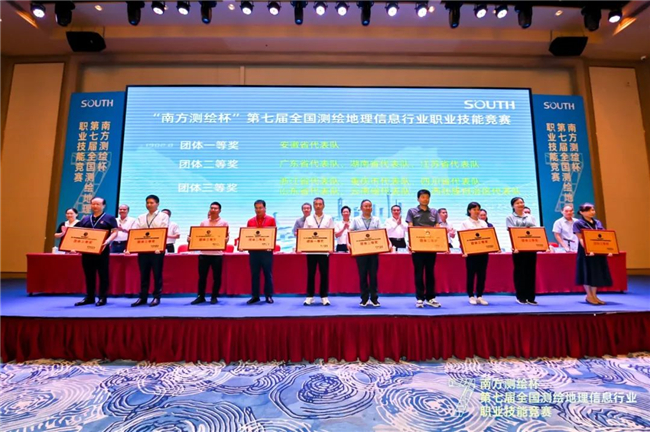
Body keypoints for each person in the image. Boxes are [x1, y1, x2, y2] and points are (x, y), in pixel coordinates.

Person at [73, 197, 118, 307]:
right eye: (93, 204)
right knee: (89, 274)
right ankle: (89, 297)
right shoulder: (85, 219)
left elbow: (115, 232)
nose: (95, 206)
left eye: (98, 204)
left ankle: (102, 297)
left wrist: (108, 241)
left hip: (102, 250)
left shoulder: (110, 218)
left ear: (103, 206)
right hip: (87, 251)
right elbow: (78, 233)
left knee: (103, 275)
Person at [128, 194, 170, 307]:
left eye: (151, 203)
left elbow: (163, 230)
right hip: (143, 249)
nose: (149, 205)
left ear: (157, 204)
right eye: (147, 203)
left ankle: (156, 297)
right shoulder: (141, 217)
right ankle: (143, 297)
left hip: (157, 250)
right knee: (143, 274)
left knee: (157, 274)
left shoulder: (163, 216)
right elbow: (135, 231)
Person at [406, 189, 442, 308]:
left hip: (431, 247)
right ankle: (420, 298)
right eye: (422, 197)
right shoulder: (412, 211)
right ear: (418, 199)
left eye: (427, 197)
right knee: (419, 273)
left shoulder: (434, 212)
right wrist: (411, 243)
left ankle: (431, 297)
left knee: (430, 273)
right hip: (418, 248)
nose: (425, 199)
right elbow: (410, 227)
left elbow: (437, 228)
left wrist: (439, 243)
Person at [190, 202, 229, 305]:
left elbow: (226, 237)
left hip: (217, 255)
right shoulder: (204, 222)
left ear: (220, 210)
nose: (213, 210)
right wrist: (192, 239)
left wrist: (225, 240)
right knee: (202, 277)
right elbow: (199, 236)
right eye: (211, 208)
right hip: (204, 254)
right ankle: (201, 296)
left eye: (215, 208)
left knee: (217, 277)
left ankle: (214, 296)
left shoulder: (224, 223)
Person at [573, 203, 612, 305]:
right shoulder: (578, 223)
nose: (592, 212)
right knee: (587, 273)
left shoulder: (597, 222)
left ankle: (594, 295)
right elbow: (581, 238)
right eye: (589, 210)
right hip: (586, 252)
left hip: (598, 251)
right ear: (581, 212)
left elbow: (604, 236)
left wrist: (608, 249)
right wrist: (588, 249)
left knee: (596, 273)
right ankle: (589, 296)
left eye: (593, 210)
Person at [506, 196, 538, 305]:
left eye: (522, 202)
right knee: (520, 272)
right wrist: (515, 246)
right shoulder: (510, 217)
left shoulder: (531, 217)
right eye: (517, 203)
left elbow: (535, 231)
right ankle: (521, 296)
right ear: (513, 206)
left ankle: (531, 297)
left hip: (531, 247)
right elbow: (512, 232)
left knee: (531, 272)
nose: (520, 204)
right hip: (518, 248)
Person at [302, 197, 335, 306]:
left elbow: (332, 233)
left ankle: (324, 296)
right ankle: (310, 296)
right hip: (311, 251)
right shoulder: (308, 219)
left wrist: (331, 247)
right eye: (316, 204)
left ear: (323, 206)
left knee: (324, 274)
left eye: (320, 204)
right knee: (310, 274)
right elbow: (304, 234)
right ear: (313, 206)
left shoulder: (329, 218)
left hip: (324, 251)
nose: (318, 206)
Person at [349, 199, 382, 307]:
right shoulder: (355, 220)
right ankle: (364, 299)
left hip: (373, 252)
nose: (368, 208)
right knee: (362, 275)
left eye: (370, 206)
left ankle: (374, 299)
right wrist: (350, 244)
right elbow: (350, 233)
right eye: (366, 206)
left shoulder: (377, 219)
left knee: (373, 276)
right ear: (361, 208)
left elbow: (381, 233)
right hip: (361, 252)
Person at [458, 202, 490, 306]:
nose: (476, 211)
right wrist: (464, 251)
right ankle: (471, 295)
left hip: (483, 252)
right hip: (471, 253)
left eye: (478, 209)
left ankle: (480, 295)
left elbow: (488, 236)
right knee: (471, 274)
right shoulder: (465, 223)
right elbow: (462, 238)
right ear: (469, 211)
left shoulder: (483, 223)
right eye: (474, 209)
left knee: (482, 275)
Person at [246, 199, 276, 304]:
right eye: (256, 208)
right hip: (254, 252)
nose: (258, 210)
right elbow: (247, 236)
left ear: (265, 208)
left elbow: (273, 234)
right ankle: (255, 296)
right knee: (255, 274)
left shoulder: (271, 220)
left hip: (266, 252)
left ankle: (268, 296)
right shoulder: (250, 221)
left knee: (268, 274)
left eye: (260, 208)